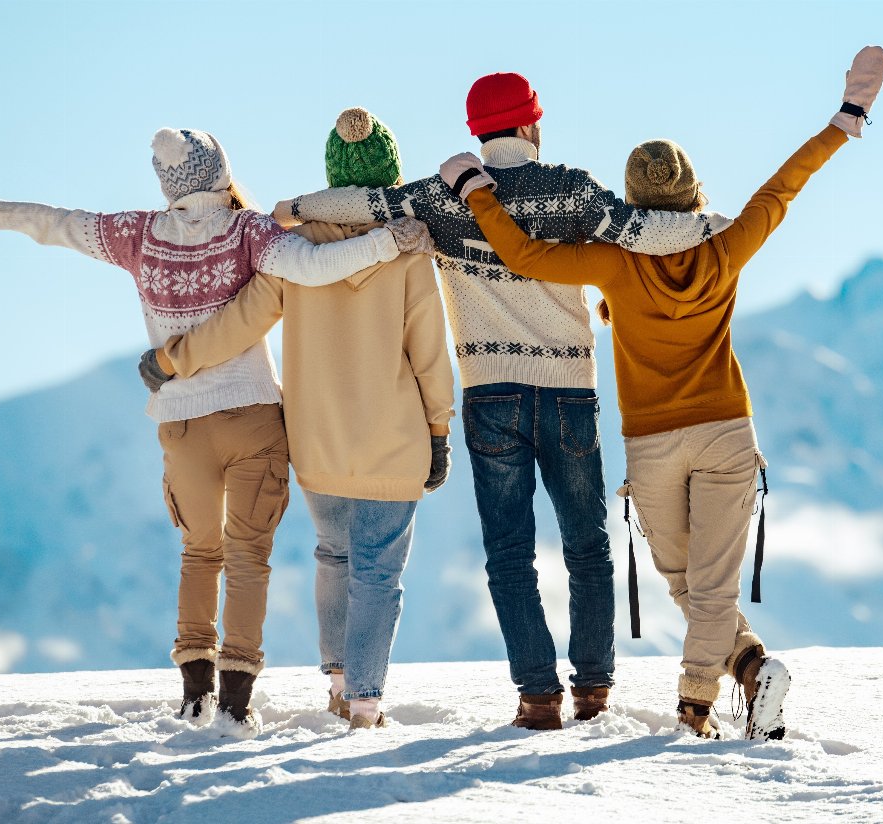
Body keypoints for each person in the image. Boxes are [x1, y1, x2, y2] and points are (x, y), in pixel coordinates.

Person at [0, 128, 431, 736]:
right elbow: (315, 265)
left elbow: (55, 223)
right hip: (253, 414)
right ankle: (236, 702)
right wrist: (389, 242)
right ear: (220, 169)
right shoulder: (250, 232)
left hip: (181, 422)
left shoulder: (138, 235)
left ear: (167, 182)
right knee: (249, 559)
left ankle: (195, 694)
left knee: (200, 554)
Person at [437, 46, 883, 739]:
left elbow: (523, 256)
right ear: (694, 195)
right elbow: (783, 187)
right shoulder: (725, 247)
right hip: (727, 435)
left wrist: (474, 191)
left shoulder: (614, 264)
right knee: (700, 588)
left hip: (651, 446)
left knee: (690, 585)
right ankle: (752, 670)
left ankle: (695, 708)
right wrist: (844, 119)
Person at [279, 74, 729, 729]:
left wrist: (294, 207)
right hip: (570, 391)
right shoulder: (572, 187)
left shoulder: (439, 198)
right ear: (531, 126)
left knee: (510, 552)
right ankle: (594, 690)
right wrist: (719, 226)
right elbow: (641, 231)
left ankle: (538, 696)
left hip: (490, 394)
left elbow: (361, 202)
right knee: (586, 547)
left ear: (479, 134)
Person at [144, 109, 455, 731]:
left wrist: (172, 359)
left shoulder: (294, 249)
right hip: (392, 441)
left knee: (334, 558)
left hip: (313, 442)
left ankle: (340, 687)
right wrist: (440, 431)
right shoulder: (408, 250)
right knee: (377, 571)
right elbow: (429, 356)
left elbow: (240, 324)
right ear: (387, 175)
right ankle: (365, 704)